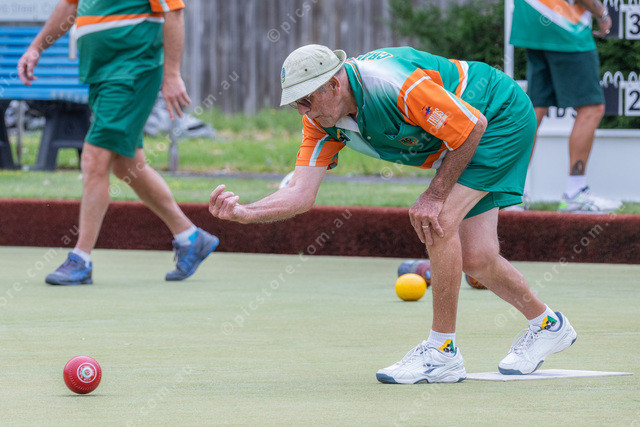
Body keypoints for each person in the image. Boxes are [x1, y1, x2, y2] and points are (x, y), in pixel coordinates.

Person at [208, 44, 578, 384]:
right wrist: (246, 212)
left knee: (437, 220)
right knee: (478, 258)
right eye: (296, 104)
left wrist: (435, 195)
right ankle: (549, 326)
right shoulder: (320, 120)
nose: (303, 111)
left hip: (499, 116)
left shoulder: (393, 85)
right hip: (467, 136)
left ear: (333, 85)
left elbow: (472, 127)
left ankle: (442, 353)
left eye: (306, 99)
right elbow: (300, 193)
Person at [18, 0, 219, 285]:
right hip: (100, 73)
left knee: (93, 158)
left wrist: (172, 74)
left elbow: (174, 11)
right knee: (127, 165)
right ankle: (191, 237)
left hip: (132, 69)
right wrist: (36, 47)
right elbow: (70, 5)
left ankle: (81, 259)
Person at [510, 0, 622, 213]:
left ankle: (512, 194)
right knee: (591, 107)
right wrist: (602, 14)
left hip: (532, 23)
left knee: (535, 109)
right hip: (566, 26)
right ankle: (575, 192)